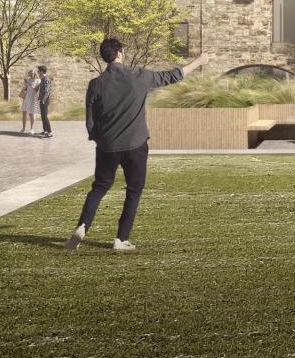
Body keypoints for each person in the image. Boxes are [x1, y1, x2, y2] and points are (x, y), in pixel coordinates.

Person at [69, 39, 207, 252]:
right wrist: (199, 61)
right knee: (134, 190)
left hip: (107, 146)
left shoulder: (96, 84)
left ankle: (83, 225)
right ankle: (121, 239)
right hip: (135, 145)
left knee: (100, 187)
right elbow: (171, 76)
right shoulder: (138, 75)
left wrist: (98, 139)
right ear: (120, 53)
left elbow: (90, 121)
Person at [36, 65, 53, 139]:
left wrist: (43, 100)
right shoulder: (42, 79)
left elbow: (47, 91)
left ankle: (50, 132)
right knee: (43, 116)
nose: (38, 73)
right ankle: (45, 130)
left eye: (38, 71)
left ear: (42, 72)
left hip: (45, 100)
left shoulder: (46, 79)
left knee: (45, 116)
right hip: (42, 100)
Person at [18, 69, 37, 135]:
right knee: (24, 113)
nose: (31, 74)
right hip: (26, 98)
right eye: (30, 73)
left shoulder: (37, 81)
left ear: (35, 73)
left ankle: (32, 129)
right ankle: (23, 128)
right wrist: (25, 85)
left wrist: (28, 83)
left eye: (32, 73)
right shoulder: (27, 80)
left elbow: (35, 89)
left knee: (31, 114)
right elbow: (25, 88)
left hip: (32, 98)